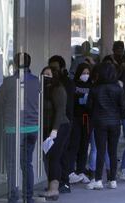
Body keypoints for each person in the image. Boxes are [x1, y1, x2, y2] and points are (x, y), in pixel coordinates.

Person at [0, 53, 39, 203]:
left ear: (14, 64)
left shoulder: (8, 82)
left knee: (12, 164)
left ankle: (13, 197)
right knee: (26, 163)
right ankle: (28, 197)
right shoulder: (36, 81)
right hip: (32, 128)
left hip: (13, 129)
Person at [86, 62, 125, 190]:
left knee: (100, 150)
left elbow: (89, 107)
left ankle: (98, 179)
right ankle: (112, 180)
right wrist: (118, 115)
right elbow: (124, 106)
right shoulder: (118, 88)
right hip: (115, 122)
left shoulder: (95, 88)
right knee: (112, 151)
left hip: (99, 122)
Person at [39, 66, 71, 200]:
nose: (46, 76)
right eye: (44, 74)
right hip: (48, 128)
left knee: (54, 157)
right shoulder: (44, 89)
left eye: (48, 74)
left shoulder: (58, 89)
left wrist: (54, 131)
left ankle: (54, 189)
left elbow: (60, 111)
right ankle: (52, 186)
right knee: (49, 157)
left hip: (59, 127)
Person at [48, 55, 74, 193]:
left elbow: (64, 108)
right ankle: (60, 182)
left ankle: (64, 182)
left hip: (64, 124)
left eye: (55, 69)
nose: (52, 72)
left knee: (60, 154)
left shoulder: (64, 84)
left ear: (62, 68)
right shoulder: (49, 85)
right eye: (50, 69)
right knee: (57, 155)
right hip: (56, 124)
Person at [67, 63, 93, 185]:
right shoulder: (74, 85)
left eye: (88, 73)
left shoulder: (91, 85)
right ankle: (70, 171)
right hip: (76, 118)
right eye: (83, 73)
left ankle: (81, 170)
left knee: (84, 145)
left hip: (87, 119)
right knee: (74, 144)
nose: (86, 75)